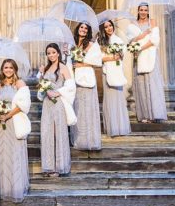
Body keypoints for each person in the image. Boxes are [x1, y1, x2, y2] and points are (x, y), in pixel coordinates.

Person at [36, 44, 77, 176]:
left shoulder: (63, 67)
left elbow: (71, 86)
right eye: (49, 53)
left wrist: (57, 92)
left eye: (53, 52)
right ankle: (49, 166)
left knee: (57, 133)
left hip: (58, 103)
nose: (51, 55)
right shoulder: (46, 68)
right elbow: (41, 85)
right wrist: (41, 74)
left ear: (58, 53)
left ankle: (59, 167)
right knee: (47, 133)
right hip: (47, 104)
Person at [0, 59, 32, 202]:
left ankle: (16, 188)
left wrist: (7, 115)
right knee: (3, 154)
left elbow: (23, 105)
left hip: (14, 122)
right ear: (2, 69)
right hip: (2, 126)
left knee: (15, 154)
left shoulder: (20, 84)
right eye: (5, 67)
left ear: (15, 69)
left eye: (10, 67)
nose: (8, 70)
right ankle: (4, 189)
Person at [129, 3, 168, 123]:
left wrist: (141, 47)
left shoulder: (152, 22)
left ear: (148, 11)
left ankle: (154, 114)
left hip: (150, 56)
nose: (143, 12)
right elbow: (130, 41)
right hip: (138, 58)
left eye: (145, 10)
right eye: (141, 10)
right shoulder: (133, 24)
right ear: (138, 11)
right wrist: (142, 35)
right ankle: (144, 115)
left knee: (152, 85)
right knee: (141, 87)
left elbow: (155, 40)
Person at [70, 22, 103, 150]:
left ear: (88, 31)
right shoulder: (71, 45)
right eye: (81, 27)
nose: (83, 30)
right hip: (74, 81)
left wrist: (81, 64)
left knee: (88, 110)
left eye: (86, 28)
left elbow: (97, 62)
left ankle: (90, 141)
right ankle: (79, 140)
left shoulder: (92, 45)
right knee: (78, 110)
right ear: (77, 29)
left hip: (87, 80)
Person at [98, 19, 131, 136]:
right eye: (106, 27)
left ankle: (120, 127)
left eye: (110, 25)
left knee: (118, 100)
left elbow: (122, 54)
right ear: (103, 29)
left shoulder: (118, 40)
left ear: (113, 26)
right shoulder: (101, 41)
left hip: (117, 73)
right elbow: (100, 57)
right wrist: (113, 57)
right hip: (106, 73)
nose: (109, 28)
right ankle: (111, 127)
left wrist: (119, 55)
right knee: (109, 100)